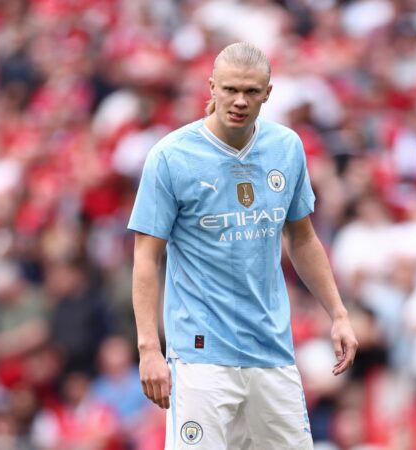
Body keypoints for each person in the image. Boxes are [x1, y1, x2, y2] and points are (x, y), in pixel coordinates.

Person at [128, 42, 358, 449]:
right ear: (212, 87)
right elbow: (147, 257)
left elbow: (302, 237)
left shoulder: (286, 148)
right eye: (230, 89)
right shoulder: (171, 157)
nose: (239, 101)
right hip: (200, 354)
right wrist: (149, 349)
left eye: (251, 91)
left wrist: (338, 313)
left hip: (271, 348)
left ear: (267, 93)